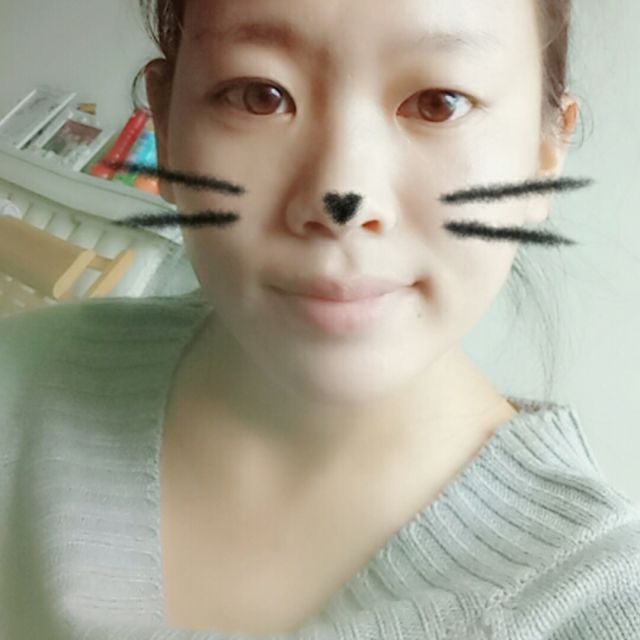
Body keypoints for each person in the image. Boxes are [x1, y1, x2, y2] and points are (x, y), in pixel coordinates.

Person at [1, 0, 639, 638]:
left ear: (545, 153)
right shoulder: (19, 383)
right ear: (165, 126)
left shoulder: (595, 607)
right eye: (259, 96)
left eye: (438, 104)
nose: (341, 199)